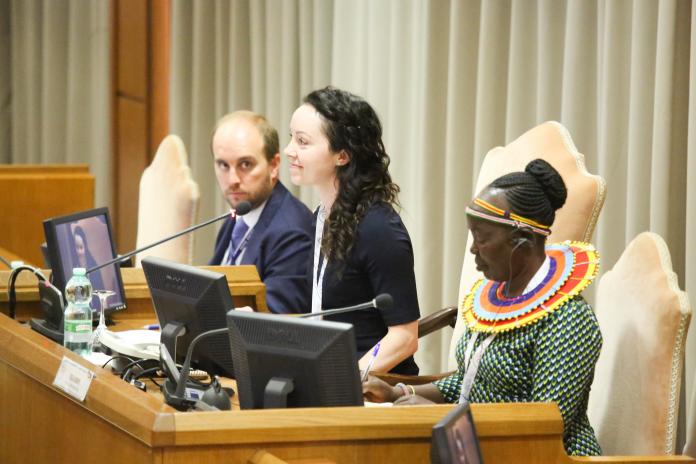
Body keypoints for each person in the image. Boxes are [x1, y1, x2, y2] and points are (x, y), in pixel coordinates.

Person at [363, 159, 603, 456]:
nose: (473, 249)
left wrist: (440, 417)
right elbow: (470, 382)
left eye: (482, 238)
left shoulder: (568, 319)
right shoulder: (500, 297)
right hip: (478, 450)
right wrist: (399, 392)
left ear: (523, 239)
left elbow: (544, 424)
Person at [284, 86, 420, 375]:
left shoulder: (379, 229)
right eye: (291, 138)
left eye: (302, 142)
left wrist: (346, 382)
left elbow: (405, 338)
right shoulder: (319, 218)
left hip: (374, 391)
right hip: (324, 373)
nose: (288, 150)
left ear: (342, 156)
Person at [209, 111, 314, 314]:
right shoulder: (238, 217)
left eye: (245, 164)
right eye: (223, 165)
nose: (232, 180)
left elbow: (276, 316)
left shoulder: (292, 232)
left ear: (274, 165)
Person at [72, 225, 105, 291]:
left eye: (81, 247)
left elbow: (100, 290)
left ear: (85, 248)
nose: (78, 251)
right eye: (76, 247)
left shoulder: (93, 267)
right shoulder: (72, 265)